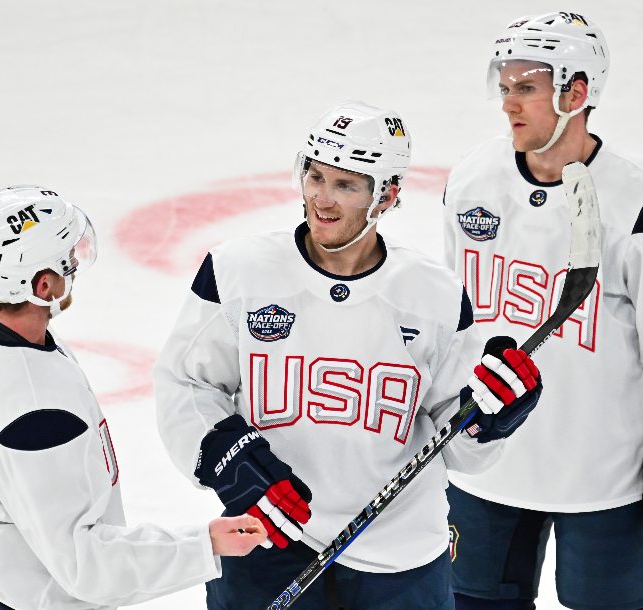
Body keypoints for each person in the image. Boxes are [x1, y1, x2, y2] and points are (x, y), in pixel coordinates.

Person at [154, 101, 545, 610]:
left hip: (400, 553)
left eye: (346, 185)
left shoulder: (435, 295)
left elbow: (461, 448)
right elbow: (185, 386)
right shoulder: (237, 271)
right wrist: (235, 465)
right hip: (266, 532)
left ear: (387, 195)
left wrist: (492, 417)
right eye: (315, 177)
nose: (322, 199)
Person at [441, 12, 643, 610]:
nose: (508, 104)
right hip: (487, 465)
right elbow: (455, 321)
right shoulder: (471, 181)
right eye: (505, 86)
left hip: (605, 480)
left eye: (526, 88)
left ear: (577, 92)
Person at [0, 185, 267, 610]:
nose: (76, 264)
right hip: (12, 597)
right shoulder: (36, 411)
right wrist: (203, 545)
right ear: (42, 285)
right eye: (67, 259)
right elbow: (85, 566)